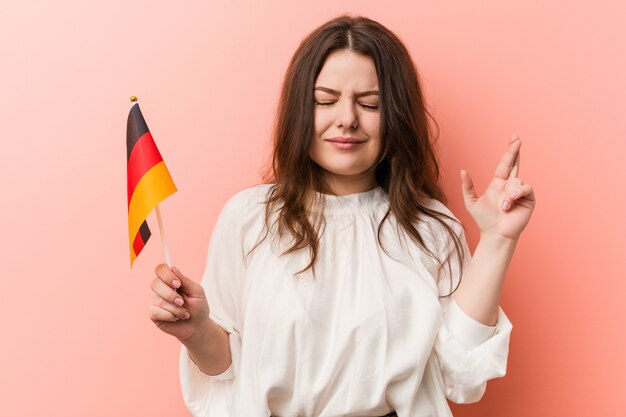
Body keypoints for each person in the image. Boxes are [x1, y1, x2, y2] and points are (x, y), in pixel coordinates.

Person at [148, 14, 535, 417]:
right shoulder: (249, 219)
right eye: (325, 100)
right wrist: (195, 330)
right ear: (300, 109)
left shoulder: (430, 228)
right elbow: (228, 374)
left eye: (369, 103)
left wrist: (498, 239)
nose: (347, 118)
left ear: (396, 116)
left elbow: (462, 377)